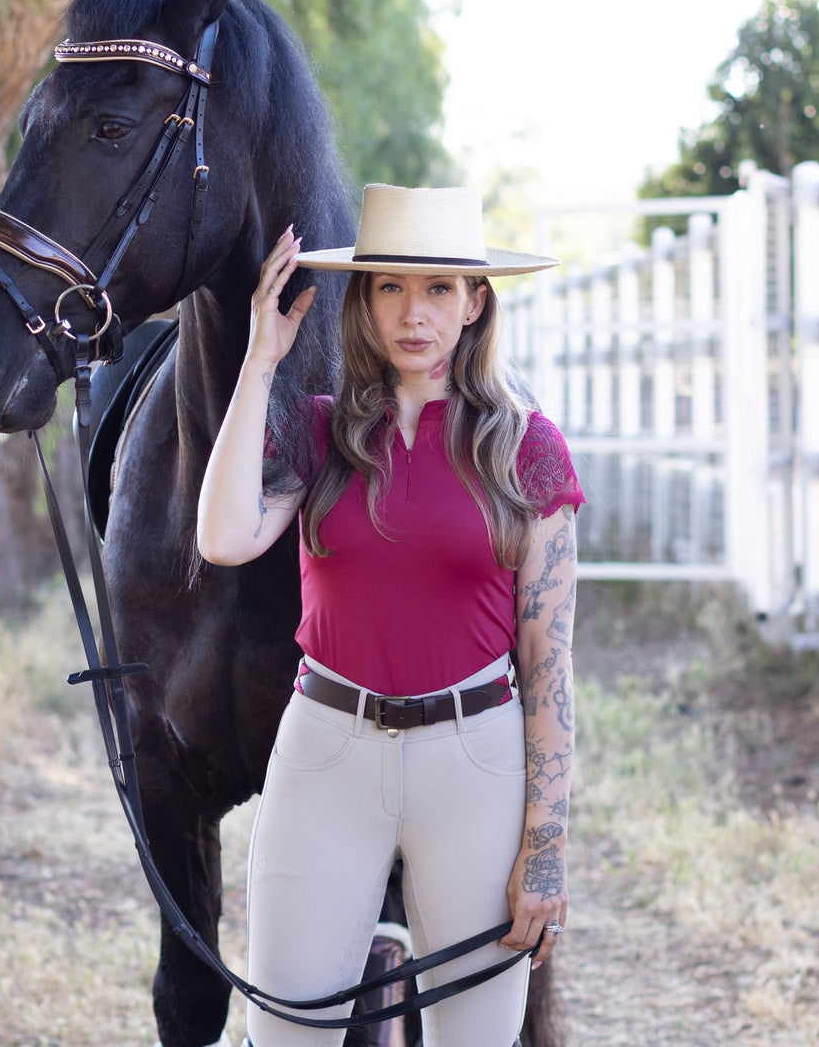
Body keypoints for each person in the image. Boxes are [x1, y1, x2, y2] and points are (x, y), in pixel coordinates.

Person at [197, 185, 583, 1047]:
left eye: (439, 288)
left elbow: (550, 667)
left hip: (475, 763)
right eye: (390, 288)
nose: (415, 313)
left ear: (476, 301)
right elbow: (223, 537)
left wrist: (546, 845)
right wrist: (261, 361)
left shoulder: (529, 450)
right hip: (326, 754)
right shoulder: (321, 433)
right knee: (286, 1033)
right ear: (363, 303)